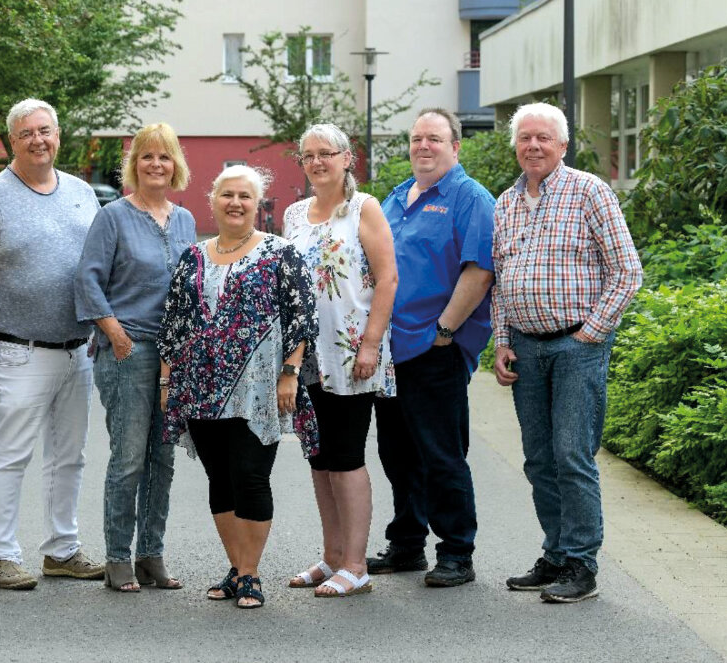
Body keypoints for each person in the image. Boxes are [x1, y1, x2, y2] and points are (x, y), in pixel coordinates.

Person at [492, 103, 642, 603]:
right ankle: (555, 554)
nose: (532, 146)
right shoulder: (505, 204)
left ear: (562, 144)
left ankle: (581, 563)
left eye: (543, 138)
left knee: (571, 455)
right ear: (515, 145)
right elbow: (499, 283)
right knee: (538, 459)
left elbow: (627, 270)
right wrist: (503, 342)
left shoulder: (589, 191)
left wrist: (590, 334)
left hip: (577, 344)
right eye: (524, 138)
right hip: (526, 349)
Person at [0, 98, 105, 590]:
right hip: (20, 348)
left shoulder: (83, 192)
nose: (38, 140)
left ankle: (62, 550)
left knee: (70, 455)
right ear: (11, 141)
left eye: (46, 131)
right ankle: (0, 555)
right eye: (27, 134)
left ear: (58, 135)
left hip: (78, 348)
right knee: (10, 454)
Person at [158, 165, 318, 609]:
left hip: (258, 389)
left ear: (259, 204)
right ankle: (237, 567)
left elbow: (301, 316)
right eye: (227, 194)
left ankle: (251, 573)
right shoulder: (192, 256)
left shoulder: (280, 253)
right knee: (219, 478)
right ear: (212, 200)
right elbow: (174, 322)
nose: (235, 203)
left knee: (250, 475)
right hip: (199, 387)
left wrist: (290, 372)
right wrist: (167, 380)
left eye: (245, 196)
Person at [369, 108, 495, 588]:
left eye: (435, 139)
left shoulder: (469, 198)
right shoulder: (398, 197)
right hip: (391, 353)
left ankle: (457, 552)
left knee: (442, 454)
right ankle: (407, 545)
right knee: (398, 454)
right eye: (417, 138)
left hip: (435, 348)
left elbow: (479, 271)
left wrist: (444, 330)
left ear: (455, 146)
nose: (424, 146)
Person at [75, 123, 196, 592]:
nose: (155, 165)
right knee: (128, 458)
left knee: (162, 459)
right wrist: (114, 333)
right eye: (146, 157)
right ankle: (117, 557)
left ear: (175, 165)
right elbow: (87, 279)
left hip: (173, 359)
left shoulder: (184, 220)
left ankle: (151, 554)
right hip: (127, 350)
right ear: (134, 165)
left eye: (164, 157)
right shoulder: (113, 216)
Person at [282, 124, 397, 598]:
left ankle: (356, 563)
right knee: (319, 457)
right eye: (308, 155)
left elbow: (387, 279)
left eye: (326, 154)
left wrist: (371, 343)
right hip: (306, 356)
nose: (316, 162)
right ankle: (331, 557)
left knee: (347, 457)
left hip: (352, 355)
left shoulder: (364, 209)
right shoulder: (292, 214)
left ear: (347, 158)